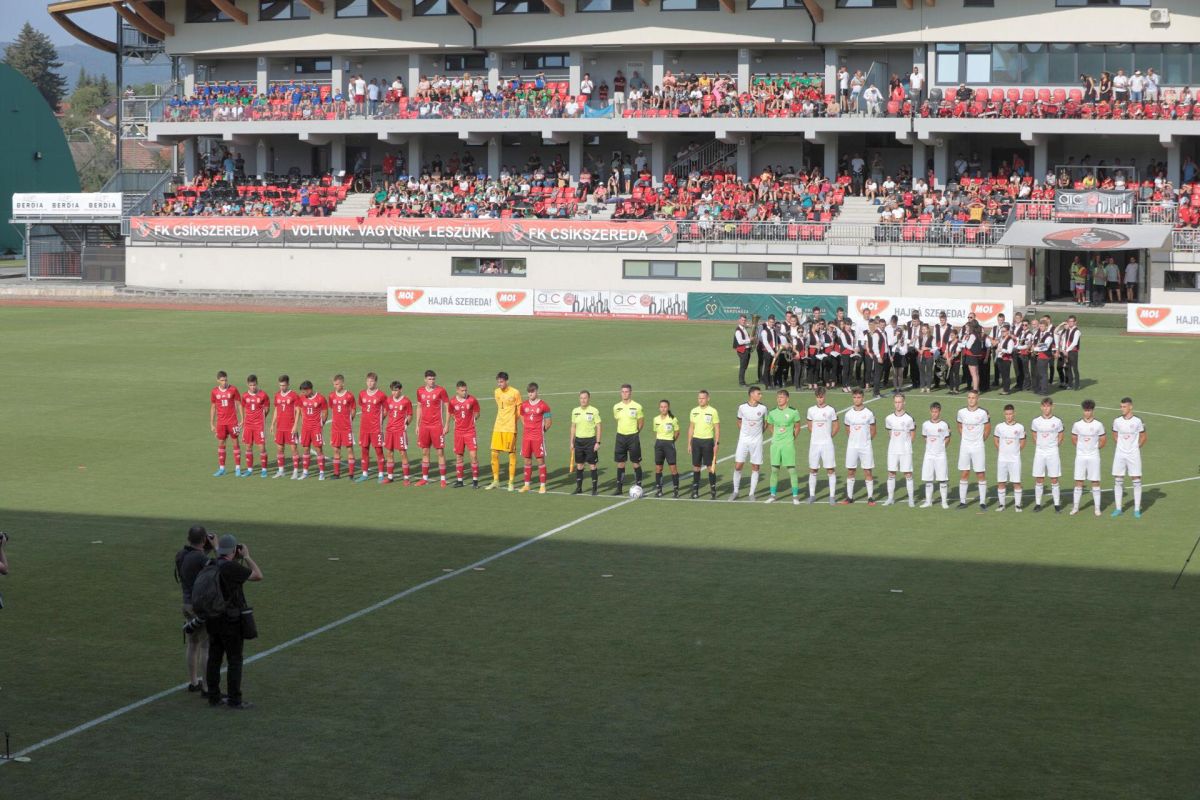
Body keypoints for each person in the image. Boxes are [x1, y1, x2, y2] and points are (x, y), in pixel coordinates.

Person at [205, 534, 262, 710]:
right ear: (233, 551)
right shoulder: (232, 568)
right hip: (230, 620)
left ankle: (213, 696)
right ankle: (234, 699)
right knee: (235, 660)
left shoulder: (211, 564)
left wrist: (217, 548)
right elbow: (258, 575)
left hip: (212, 617)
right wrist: (246, 556)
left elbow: (221, 558)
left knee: (214, 658)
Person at [175, 525, 215, 696]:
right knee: (206, 646)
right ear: (204, 539)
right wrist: (216, 547)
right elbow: (217, 567)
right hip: (200, 605)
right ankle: (206, 687)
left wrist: (206, 549)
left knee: (192, 643)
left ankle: (193, 682)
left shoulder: (181, 554)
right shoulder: (200, 557)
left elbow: (193, 563)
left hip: (186, 603)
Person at [763, 389, 802, 505]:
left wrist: (791, 438)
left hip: (788, 444)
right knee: (774, 470)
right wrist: (776, 436)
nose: (779, 399)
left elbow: (798, 427)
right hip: (775, 445)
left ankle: (795, 496)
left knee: (791, 470)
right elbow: (770, 425)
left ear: (787, 399)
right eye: (778, 397)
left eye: (781, 397)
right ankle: (772, 495)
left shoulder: (793, 412)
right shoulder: (772, 412)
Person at [1111, 396, 1147, 518]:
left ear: (1130, 407)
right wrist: (1121, 446)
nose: (1122, 409)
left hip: (1133, 454)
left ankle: (1137, 509)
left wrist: (1135, 448)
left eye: (1124, 407)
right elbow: (1115, 434)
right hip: (1120, 454)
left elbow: (1143, 437)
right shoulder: (1117, 421)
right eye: (1121, 407)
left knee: (1136, 479)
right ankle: (1118, 508)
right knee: (1118, 479)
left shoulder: (1137, 421)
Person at [731, 386, 768, 501]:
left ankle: (751, 493)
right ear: (751, 395)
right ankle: (735, 491)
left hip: (756, 441)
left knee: (755, 466)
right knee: (738, 465)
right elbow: (739, 421)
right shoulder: (742, 407)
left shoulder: (763, 408)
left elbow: (766, 422)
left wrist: (759, 433)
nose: (760, 396)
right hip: (743, 440)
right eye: (759, 394)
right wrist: (744, 433)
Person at [1071, 399, 1107, 517]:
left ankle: (1097, 509)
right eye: (1085, 410)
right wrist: (1082, 448)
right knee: (1078, 481)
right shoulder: (1077, 424)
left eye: (1089, 410)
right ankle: (1075, 507)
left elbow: (1103, 440)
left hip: (1093, 456)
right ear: (1083, 411)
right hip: (1080, 456)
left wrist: (1094, 449)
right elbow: (1074, 438)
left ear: (1092, 411)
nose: (1087, 413)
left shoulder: (1098, 424)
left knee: (1095, 481)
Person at [956, 389, 991, 510]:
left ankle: (982, 502)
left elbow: (987, 429)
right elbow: (959, 426)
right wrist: (966, 438)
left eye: (973, 398)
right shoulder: (961, 412)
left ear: (977, 399)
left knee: (980, 473)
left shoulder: (983, 413)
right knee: (965, 472)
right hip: (965, 446)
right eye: (969, 397)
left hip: (978, 447)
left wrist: (980, 440)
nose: (971, 400)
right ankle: (962, 501)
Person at [488, 372, 523, 491]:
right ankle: (496, 480)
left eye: (501, 381)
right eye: (498, 382)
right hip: (498, 426)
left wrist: (514, 421)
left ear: (507, 381)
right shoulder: (496, 392)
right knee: (494, 452)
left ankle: (511, 482)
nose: (499, 384)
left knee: (511, 453)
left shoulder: (515, 392)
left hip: (510, 428)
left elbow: (519, 410)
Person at [415, 370, 450, 487]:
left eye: (433, 379)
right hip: (424, 426)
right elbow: (419, 407)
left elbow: (447, 407)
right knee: (425, 451)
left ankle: (443, 479)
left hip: (437, 426)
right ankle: (424, 478)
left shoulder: (441, 390)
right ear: (425, 379)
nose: (432, 381)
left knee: (440, 452)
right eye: (429, 379)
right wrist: (417, 424)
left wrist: (446, 424)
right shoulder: (420, 391)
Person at [1029, 397, 1065, 512]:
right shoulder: (1036, 421)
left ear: (1052, 407)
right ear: (1041, 407)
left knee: (1054, 479)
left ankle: (1057, 504)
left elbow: (1060, 435)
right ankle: (1038, 504)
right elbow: (1034, 435)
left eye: (1048, 406)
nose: (1046, 408)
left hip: (1053, 452)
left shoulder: (1057, 421)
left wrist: (1054, 446)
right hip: (1040, 452)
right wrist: (1040, 445)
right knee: (1039, 478)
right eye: (1044, 406)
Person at [841, 388, 877, 504]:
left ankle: (870, 498)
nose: (856, 399)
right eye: (855, 397)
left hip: (865, 447)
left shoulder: (869, 413)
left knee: (868, 471)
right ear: (852, 398)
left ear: (863, 398)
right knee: (851, 471)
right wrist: (854, 440)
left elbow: (873, 430)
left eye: (859, 397)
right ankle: (849, 497)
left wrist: (865, 441)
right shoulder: (848, 414)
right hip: (852, 447)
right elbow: (847, 430)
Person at [806, 386, 840, 505]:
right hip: (814, 444)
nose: (819, 399)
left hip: (827, 444)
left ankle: (832, 496)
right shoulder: (811, 410)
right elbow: (809, 425)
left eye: (821, 397)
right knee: (813, 469)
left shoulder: (831, 410)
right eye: (818, 398)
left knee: (830, 469)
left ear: (824, 396)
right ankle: (812, 495)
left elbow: (836, 425)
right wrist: (816, 435)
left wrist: (829, 436)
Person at [883, 392, 916, 507]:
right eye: (896, 402)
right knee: (891, 473)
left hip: (905, 450)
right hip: (892, 450)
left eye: (900, 402)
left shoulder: (909, 419)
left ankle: (911, 499)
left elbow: (913, 435)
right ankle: (890, 498)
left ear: (904, 402)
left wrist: (906, 446)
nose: (898, 404)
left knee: (908, 474)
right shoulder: (889, 418)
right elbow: (889, 433)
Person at [992, 404, 1026, 513]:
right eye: (1007, 414)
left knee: (1016, 482)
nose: (1009, 416)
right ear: (1004, 414)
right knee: (1001, 482)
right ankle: (1002, 505)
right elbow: (996, 440)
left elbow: (1022, 442)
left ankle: (1017, 505)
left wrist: (1015, 451)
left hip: (1015, 459)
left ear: (1014, 414)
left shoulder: (1020, 427)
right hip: (1002, 459)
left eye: (1010, 414)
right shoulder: (999, 427)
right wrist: (1001, 451)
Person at [519, 382, 552, 494]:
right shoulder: (524, 405)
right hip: (526, 437)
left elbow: (548, 422)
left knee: (540, 460)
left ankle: (542, 486)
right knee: (527, 460)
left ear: (537, 391)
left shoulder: (544, 405)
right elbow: (521, 416)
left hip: (538, 437)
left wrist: (542, 431)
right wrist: (527, 426)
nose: (530, 394)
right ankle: (526, 485)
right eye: (529, 392)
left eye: (532, 392)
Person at [612, 384, 645, 494]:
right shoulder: (616, 407)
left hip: (633, 437)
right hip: (620, 437)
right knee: (620, 463)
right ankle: (619, 488)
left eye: (627, 391)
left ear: (630, 392)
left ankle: (639, 487)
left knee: (635, 462)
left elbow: (641, 422)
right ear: (620, 393)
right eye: (623, 391)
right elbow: (618, 420)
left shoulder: (637, 406)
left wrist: (635, 433)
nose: (625, 393)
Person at [687, 390, 721, 499]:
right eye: (699, 398)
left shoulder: (713, 411)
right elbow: (691, 427)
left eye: (703, 398)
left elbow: (717, 429)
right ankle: (695, 491)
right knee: (696, 466)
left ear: (708, 399)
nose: (700, 400)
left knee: (710, 467)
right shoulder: (694, 411)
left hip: (708, 442)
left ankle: (713, 490)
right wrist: (689, 443)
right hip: (696, 441)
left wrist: (716, 443)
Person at [210, 371, 243, 477]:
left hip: (232, 421)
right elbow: (213, 407)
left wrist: (242, 418)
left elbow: (239, 404)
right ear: (218, 380)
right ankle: (222, 468)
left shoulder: (233, 389)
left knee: (235, 443)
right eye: (222, 380)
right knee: (221, 444)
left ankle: (238, 468)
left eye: (225, 380)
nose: (224, 382)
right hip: (221, 423)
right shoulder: (214, 392)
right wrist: (212, 423)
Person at [356, 373, 387, 482]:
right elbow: (362, 407)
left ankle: (381, 474)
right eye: (368, 381)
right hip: (364, 428)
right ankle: (364, 474)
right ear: (366, 382)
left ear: (376, 382)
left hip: (376, 428)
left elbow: (386, 410)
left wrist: (379, 420)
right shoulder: (362, 394)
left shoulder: (381, 395)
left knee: (379, 450)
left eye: (372, 381)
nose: (370, 383)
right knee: (364, 450)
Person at [450, 381, 482, 489]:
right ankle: (460, 481)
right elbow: (451, 412)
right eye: (462, 390)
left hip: (470, 432)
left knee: (473, 456)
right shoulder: (453, 401)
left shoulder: (472, 400)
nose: (465, 392)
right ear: (457, 390)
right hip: (458, 432)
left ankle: (475, 481)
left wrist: (474, 419)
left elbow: (477, 412)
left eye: (466, 390)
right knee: (459, 457)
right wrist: (456, 420)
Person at [570, 390, 602, 495]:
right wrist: (572, 442)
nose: (583, 400)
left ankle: (594, 489)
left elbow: (598, 426)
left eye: (585, 398)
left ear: (589, 399)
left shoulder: (594, 411)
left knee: (592, 465)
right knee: (579, 465)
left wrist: (598, 442)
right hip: (578, 441)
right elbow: (573, 427)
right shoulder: (575, 411)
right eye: (581, 398)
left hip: (590, 441)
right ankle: (579, 488)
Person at [921, 402, 952, 509]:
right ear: (930, 412)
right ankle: (928, 501)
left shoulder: (944, 424)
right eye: (933, 412)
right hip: (929, 455)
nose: (934, 414)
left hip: (940, 455)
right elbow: (925, 437)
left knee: (942, 478)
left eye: (936, 412)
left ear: (939, 412)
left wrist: (942, 447)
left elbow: (947, 438)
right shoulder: (925, 424)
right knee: (928, 478)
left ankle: (944, 502)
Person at [239, 375, 270, 478]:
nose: (253, 387)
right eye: (251, 385)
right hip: (248, 425)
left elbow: (267, 408)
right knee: (248, 447)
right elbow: (243, 407)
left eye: (254, 385)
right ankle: (249, 470)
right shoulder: (244, 396)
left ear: (257, 384)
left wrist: (262, 417)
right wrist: (243, 420)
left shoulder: (263, 395)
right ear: (248, 385)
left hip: (259, 426)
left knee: (261, 448)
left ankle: (264, 470)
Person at [382, 381, 413, 485]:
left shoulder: (406, 401)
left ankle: (406, 478)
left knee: (402, 453)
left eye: (396, 390)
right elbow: (386, 412)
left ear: (400, 389)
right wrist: (380, 420)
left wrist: (406, 424)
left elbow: (410, 415)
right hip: (389, 430)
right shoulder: (388, 400)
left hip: (400, 431)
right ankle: (390, 477)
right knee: (389, 453)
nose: (394, 392)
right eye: (392, 390)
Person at [327, 374, 357, 480]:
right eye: (334, 384)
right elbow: (331, 408)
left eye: (337, 384)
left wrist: (349, 421)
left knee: (349, 450)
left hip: (346, 428)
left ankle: (351, 473)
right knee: (336, 451)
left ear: (342, 384)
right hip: (335, 429)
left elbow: (353, 409)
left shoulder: (349, 396)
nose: (335, 386)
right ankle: (336, 473)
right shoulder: (331, 396)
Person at [271, 375, 301, 479]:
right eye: (280, 385)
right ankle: (281, 471)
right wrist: (272, 423)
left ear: (288, 384)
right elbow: (276, 409)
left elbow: (298, 411)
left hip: (290, 427)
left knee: (293, 448)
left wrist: (295, 425)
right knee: (279, 449)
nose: (282, 387)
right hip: (280, 427)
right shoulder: (277, 395)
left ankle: (296, 471)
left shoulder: (293, 395)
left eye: (284, 385)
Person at [297, 380, 328, 480]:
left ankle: (322, 473)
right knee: (306, 449)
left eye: (304, 391)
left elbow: (325, 412)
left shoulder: (320, 398)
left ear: (310, 389)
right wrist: (303, 421)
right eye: (302, 392)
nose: (303, 393)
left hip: (316, 428)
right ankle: (305, 472)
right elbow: (301, 409)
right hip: (306, 428)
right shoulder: (302, 398)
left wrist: (321, 424)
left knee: (319, 449)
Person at [651, 400, 681, 498]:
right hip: (659, 444)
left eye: (665, 407)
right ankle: (659, 490)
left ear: (668, 408)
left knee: (673, 468)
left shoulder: (673, 419)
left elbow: (677, 432)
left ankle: (676, 490)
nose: (663, 408)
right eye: (661, 407)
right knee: (658, 468)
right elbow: (655, 432)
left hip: (669, 444)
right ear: (659, 408)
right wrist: (659, 441)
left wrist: (671, 441)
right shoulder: (656, 419)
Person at [1061, 316, 1081, 391]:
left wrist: (1067, 350)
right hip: (1066, 351)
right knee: (1068, 368)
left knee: (1075, 368)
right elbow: (1064, 341)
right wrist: (1063, 349)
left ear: (1075, 322)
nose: (1070, 323)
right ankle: (1070, 384)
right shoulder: (1067, 330)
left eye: (1072, 321)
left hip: (1073, 352)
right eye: (1069, 321)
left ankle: (1077, 384)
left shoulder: (1077, 331)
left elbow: (1074, 343)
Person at [733, 315, 753, 386]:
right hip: (742, 350)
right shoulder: (738, 331)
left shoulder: (744, 328)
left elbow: (747, 326)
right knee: (743, 366)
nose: (743, 321)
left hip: (746, 349)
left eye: (744, 320)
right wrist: (749, 340)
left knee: (745, 366)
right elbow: (740, 342)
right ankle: (741, 382)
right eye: (742, 320)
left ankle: (742, 381)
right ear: (739, 320)